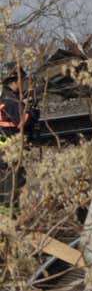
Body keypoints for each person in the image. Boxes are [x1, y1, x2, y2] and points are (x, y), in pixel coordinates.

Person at [0, 65, 36, 214]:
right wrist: (32, 112)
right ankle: (12, 218)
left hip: (2, 151)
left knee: (3, 188)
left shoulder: (3, 98)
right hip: (11, 152)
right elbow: (24, 120)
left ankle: (4, 219)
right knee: (13, 185)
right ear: (16, 80)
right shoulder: (11, 100)